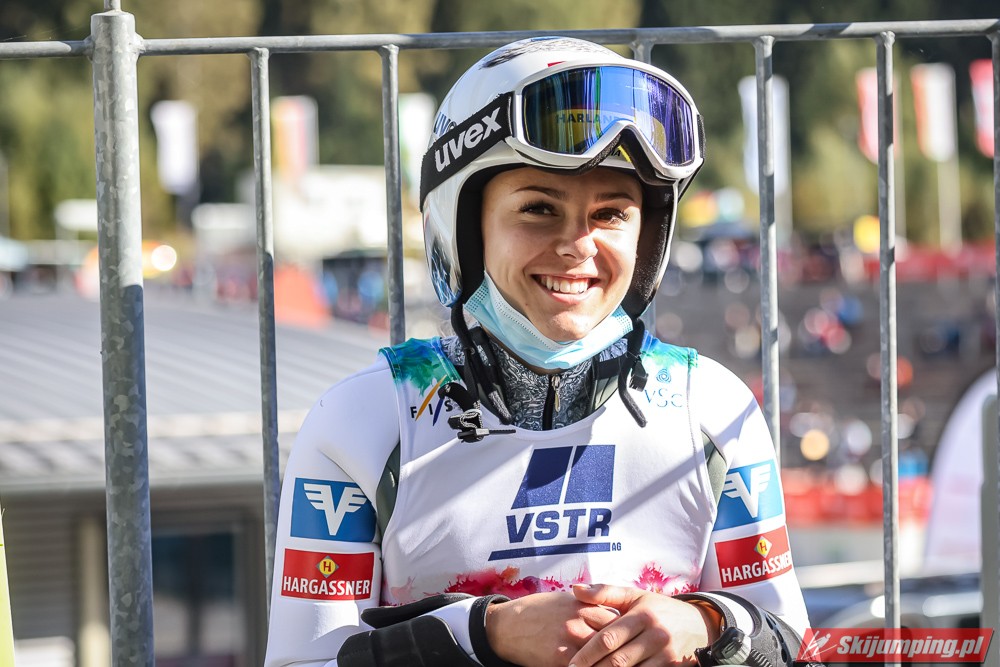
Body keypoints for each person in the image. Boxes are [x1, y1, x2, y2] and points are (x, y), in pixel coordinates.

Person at [265, 36, 812, 667]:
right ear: (463, 228)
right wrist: (487, 633)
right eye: (539, 209)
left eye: (612, 214)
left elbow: (798, 648)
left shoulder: (712, 410)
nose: (578, 244)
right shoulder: (363, 424)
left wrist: (708, 624)